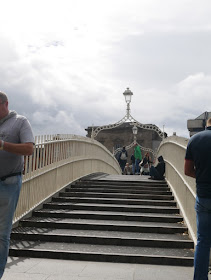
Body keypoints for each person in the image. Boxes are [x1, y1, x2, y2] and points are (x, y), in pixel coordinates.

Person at [0, 91, 34, 279]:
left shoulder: (20, 122)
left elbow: (29, 148)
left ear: (5, 104)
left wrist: (3, 145)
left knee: (2, 233)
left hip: (9, 182)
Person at [184, 117, 211, 280]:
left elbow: (187, 170)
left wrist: (201, 177)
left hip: (203, 195)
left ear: (206, 124)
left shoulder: (194, 140)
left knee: (203, 240)